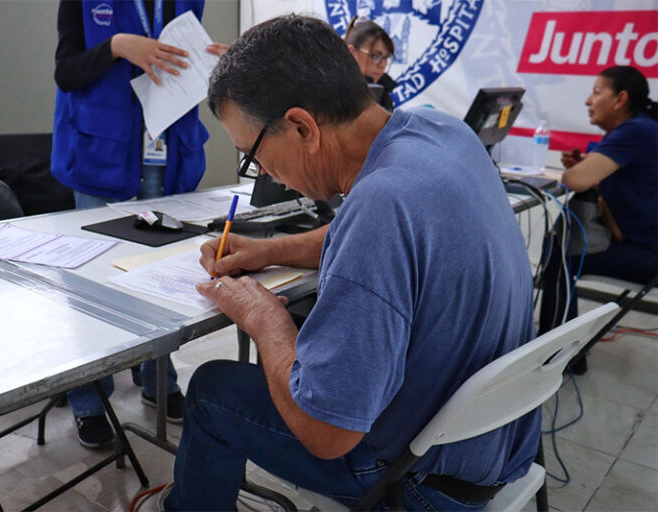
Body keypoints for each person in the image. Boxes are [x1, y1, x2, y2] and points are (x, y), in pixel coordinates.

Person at [162, 15, 540, 511]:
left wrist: (264, 317)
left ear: (302, 127)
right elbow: (385, 237)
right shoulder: (440, 132)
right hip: (494, 445)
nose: (263, 172)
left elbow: (326, 434)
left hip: (416, 480)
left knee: (214, 388)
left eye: (252, 154)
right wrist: (269, 250)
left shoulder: (380, 206)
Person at [50, 0, 226, 448]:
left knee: (163, 276)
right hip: (101, 151)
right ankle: (89, 400)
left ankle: (159, 381)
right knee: (92, 285)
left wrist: (219, 66)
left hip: (166, 153)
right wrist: (115, 47)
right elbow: (66, 73)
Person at [539, 66, 658, 372]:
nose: (588, 101)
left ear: (620, 99)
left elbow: (574, 180)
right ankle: (558, 344)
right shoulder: (639, 129)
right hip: (638, 243)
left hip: (649, 255)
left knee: (559, 254)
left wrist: (580, 171)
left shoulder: (635, 131)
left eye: (596, 91)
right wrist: (590, 170)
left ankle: (559, 356)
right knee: (560, 247)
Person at [345, 15, 396, 111]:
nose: (382, 65)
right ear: (352, 52)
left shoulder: (384, 95)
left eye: (386, 57)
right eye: (375, 56)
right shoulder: (334, 93)